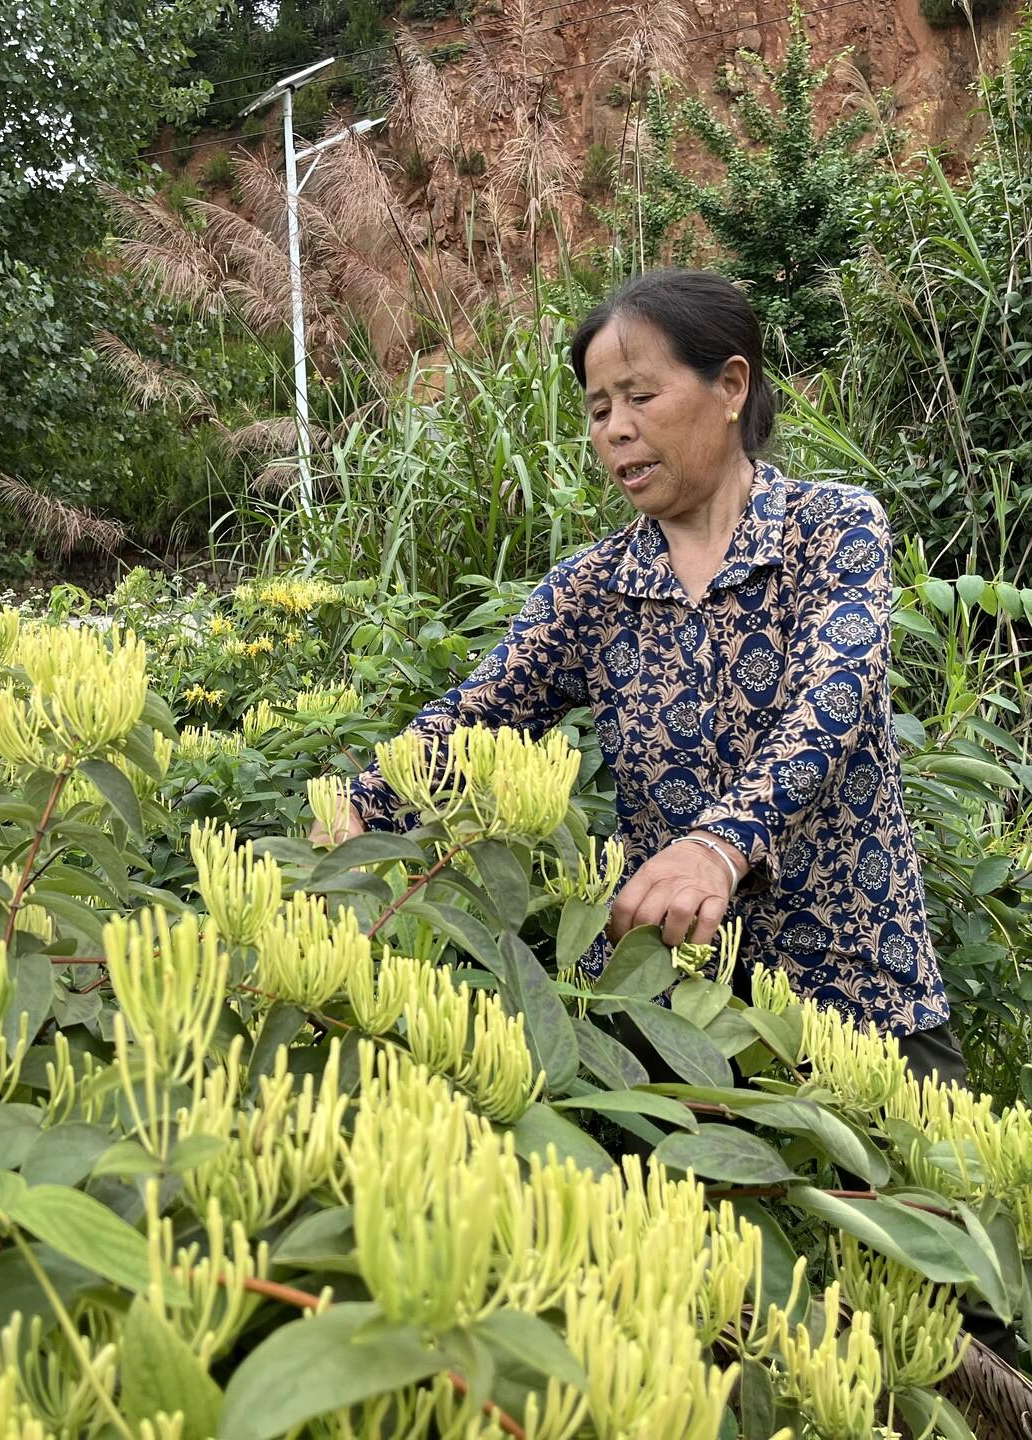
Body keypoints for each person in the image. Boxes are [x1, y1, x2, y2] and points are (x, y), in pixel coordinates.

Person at [312, 267, 965, 1087]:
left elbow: (831, 700)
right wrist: (356, 808)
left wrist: (719, 847)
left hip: (855, 990)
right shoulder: (592, 587)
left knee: (930, 1195)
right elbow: (476, 718)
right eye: (597, 410)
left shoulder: (830, 530)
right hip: (663, 998)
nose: (614, 429)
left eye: (639, 397)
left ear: (730, 386)